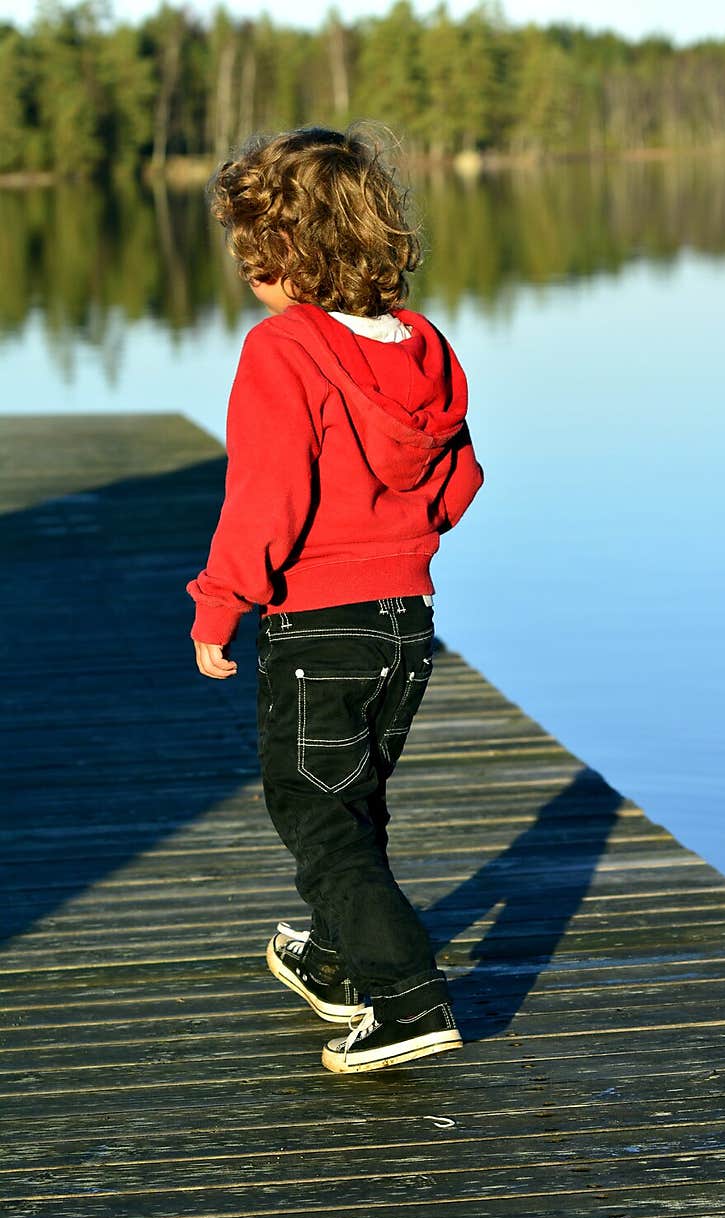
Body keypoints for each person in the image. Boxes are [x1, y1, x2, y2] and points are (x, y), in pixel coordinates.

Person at [186, 125, 484, 1074]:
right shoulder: (421, 345)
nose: (248, 274)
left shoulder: (282, 352)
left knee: (316, 816)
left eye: (253, 255)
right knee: (349, 802)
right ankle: (335, 960)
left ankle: (407, 999)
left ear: (285, 256)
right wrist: (402, 535)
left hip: (319, 623)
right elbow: (459, 476)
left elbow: (265, 497)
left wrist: (217, 602)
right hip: (407, 621)